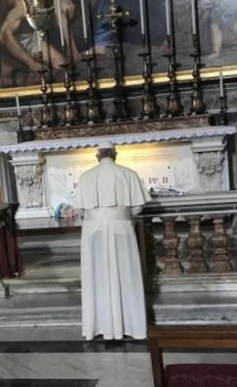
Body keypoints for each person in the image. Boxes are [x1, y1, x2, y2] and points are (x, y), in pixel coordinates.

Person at [74, 140, 151, 340]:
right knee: (126, 273)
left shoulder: (86, 177)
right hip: (121, 227)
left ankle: (98, 326)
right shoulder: (128, 174)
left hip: (94, 230)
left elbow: (81, 209)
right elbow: (137, 207)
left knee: (97, 275)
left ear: (97, 156)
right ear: (114, 155)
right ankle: (132, 326)